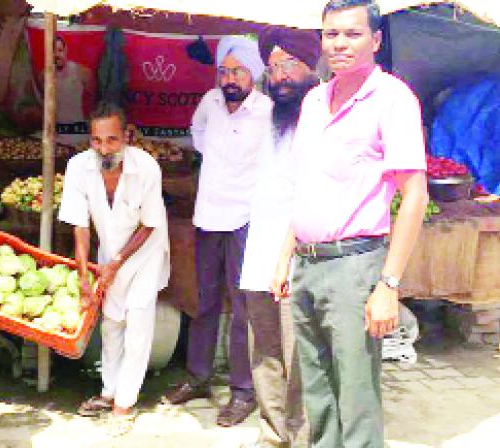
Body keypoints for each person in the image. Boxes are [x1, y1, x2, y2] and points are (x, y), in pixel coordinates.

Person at [271, 1, 429, 447]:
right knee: (318, 396)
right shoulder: (315, 100)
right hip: (307, 264)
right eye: (331, 34)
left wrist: (389, 285)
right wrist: (285, 259)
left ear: (375, 40)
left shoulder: (392, 99)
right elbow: (303, 187)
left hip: (355, 267)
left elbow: (415, 195)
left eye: (352, 34)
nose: (339, 43)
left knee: (356, 400)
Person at [164, 35, 271, 428]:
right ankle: (198, 377)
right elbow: (197, 132)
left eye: (237, 71)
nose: (229, 78)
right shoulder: (209, 102)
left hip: (246, 219)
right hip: (207, 215)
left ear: (253, 74)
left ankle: (243, 391)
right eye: (224, 71)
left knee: (242, 307)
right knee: (204, 300)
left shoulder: (267, 110)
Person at [59, 101, 170, 436]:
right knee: (111, 322)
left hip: (144, 252)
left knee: (138, 321)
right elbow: (79, 227)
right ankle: (109, 392)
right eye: (96, 140)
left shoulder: (146, 167)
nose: (104, 148)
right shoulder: (79, 168)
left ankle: (125, 403)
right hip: (107, 253)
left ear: (126, 136)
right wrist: (84, 276)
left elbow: (149, 224)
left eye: (111, 140)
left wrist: (118, 262)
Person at [238, 26, 323, 448]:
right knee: (265, 350)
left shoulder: (325, 111)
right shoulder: (272, 114)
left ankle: (302, 433)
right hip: (260, 254)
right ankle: (273, 434)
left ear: (311, 64)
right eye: (273, 68)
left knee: (300, 354)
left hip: (302, 255)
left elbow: (312, 195)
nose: (280, 76)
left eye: (289, 65)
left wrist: (284, 261)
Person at [36, 35, 95, 126]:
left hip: (77, 129)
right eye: (53, 52)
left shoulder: (81, 72)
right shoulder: (44, 76)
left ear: (65, 50)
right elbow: (41, 101)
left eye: (60, 50)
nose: (57, 55)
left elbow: (95, 98)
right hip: (55, 131)